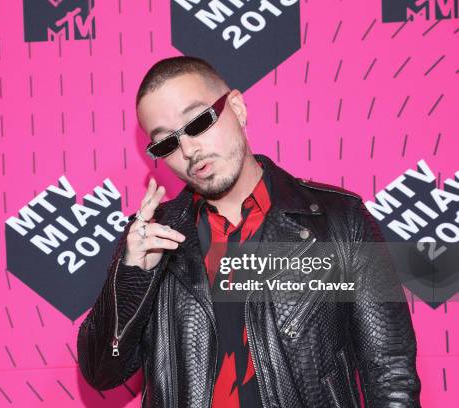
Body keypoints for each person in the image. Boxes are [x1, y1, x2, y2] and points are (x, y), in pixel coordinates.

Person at [77, 56, 421, 407]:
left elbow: (391, 373)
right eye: (166, 143)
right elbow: (102, 372)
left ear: (237, 108)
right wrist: (133, 276)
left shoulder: (337, 220)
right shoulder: (151, 238)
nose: (189, 150)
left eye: (198, 122)